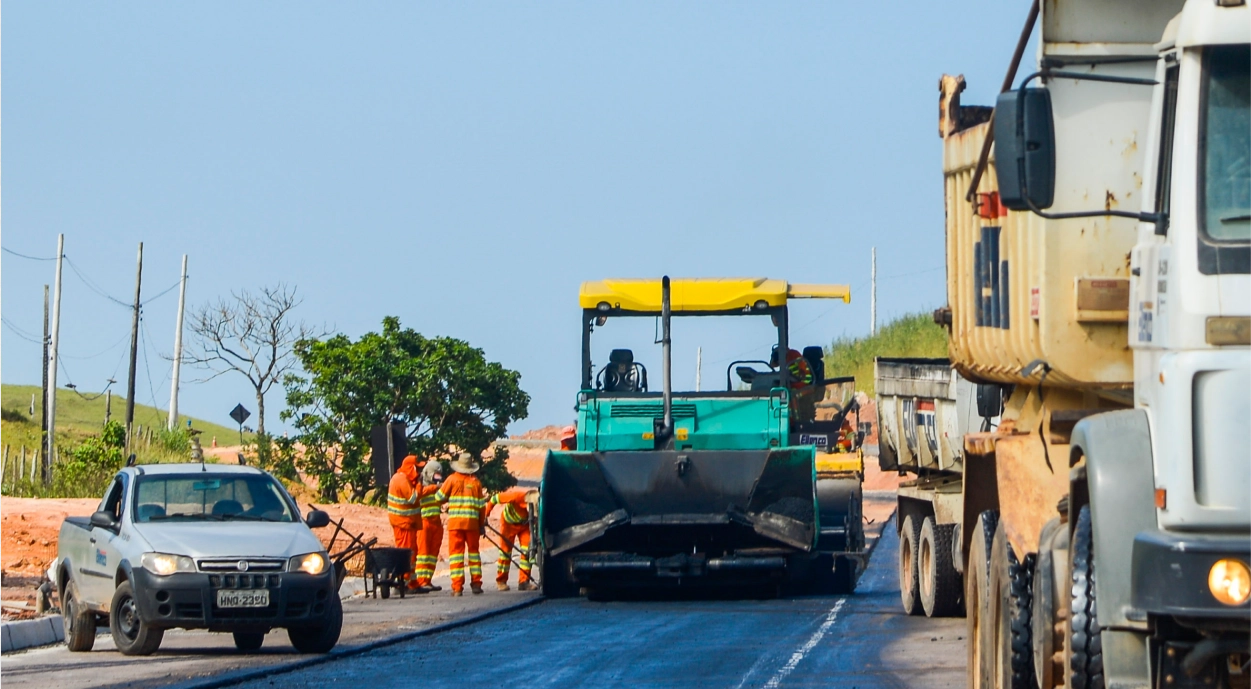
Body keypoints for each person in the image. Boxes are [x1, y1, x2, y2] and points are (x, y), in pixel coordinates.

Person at [435, 452, 488, 596]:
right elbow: (481, 507)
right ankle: (476, 584)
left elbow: (438, 498)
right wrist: (481, 524)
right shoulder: (476, 483)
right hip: (472, 525)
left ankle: (457, 588)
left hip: (455, 525)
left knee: (456, 555)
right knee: (474, 555)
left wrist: (441, 492)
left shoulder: (451, 479)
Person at [486, 488, 539, 591]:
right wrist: (485, 515)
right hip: (508, 525)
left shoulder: (538, 504)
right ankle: (501, 581)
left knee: (527, 551)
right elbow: (494, 499)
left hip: (525, 527)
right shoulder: (516, 496)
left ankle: (524, 582)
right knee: (505, 553)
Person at [386, 455, 424, 591]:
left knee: (411, 553)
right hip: (403, 524)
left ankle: (411, 583)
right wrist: (420, 485)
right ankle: (403, 583)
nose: (419, 472)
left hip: (407, 523)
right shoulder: (401, 480)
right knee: (406, 554)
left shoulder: (402, 478)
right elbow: (413, 498)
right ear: (411, 468)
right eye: (417, 468)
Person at [413, 460, 445, 592]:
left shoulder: (436, 486)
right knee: (423, 554)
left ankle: (428, 580)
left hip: (436, 522)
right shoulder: (420, 484)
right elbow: (419, 495)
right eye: (435, 475)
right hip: (424, 522)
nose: (437, 478)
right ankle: (421, 581)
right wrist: (435, 488)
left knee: (433, 554)